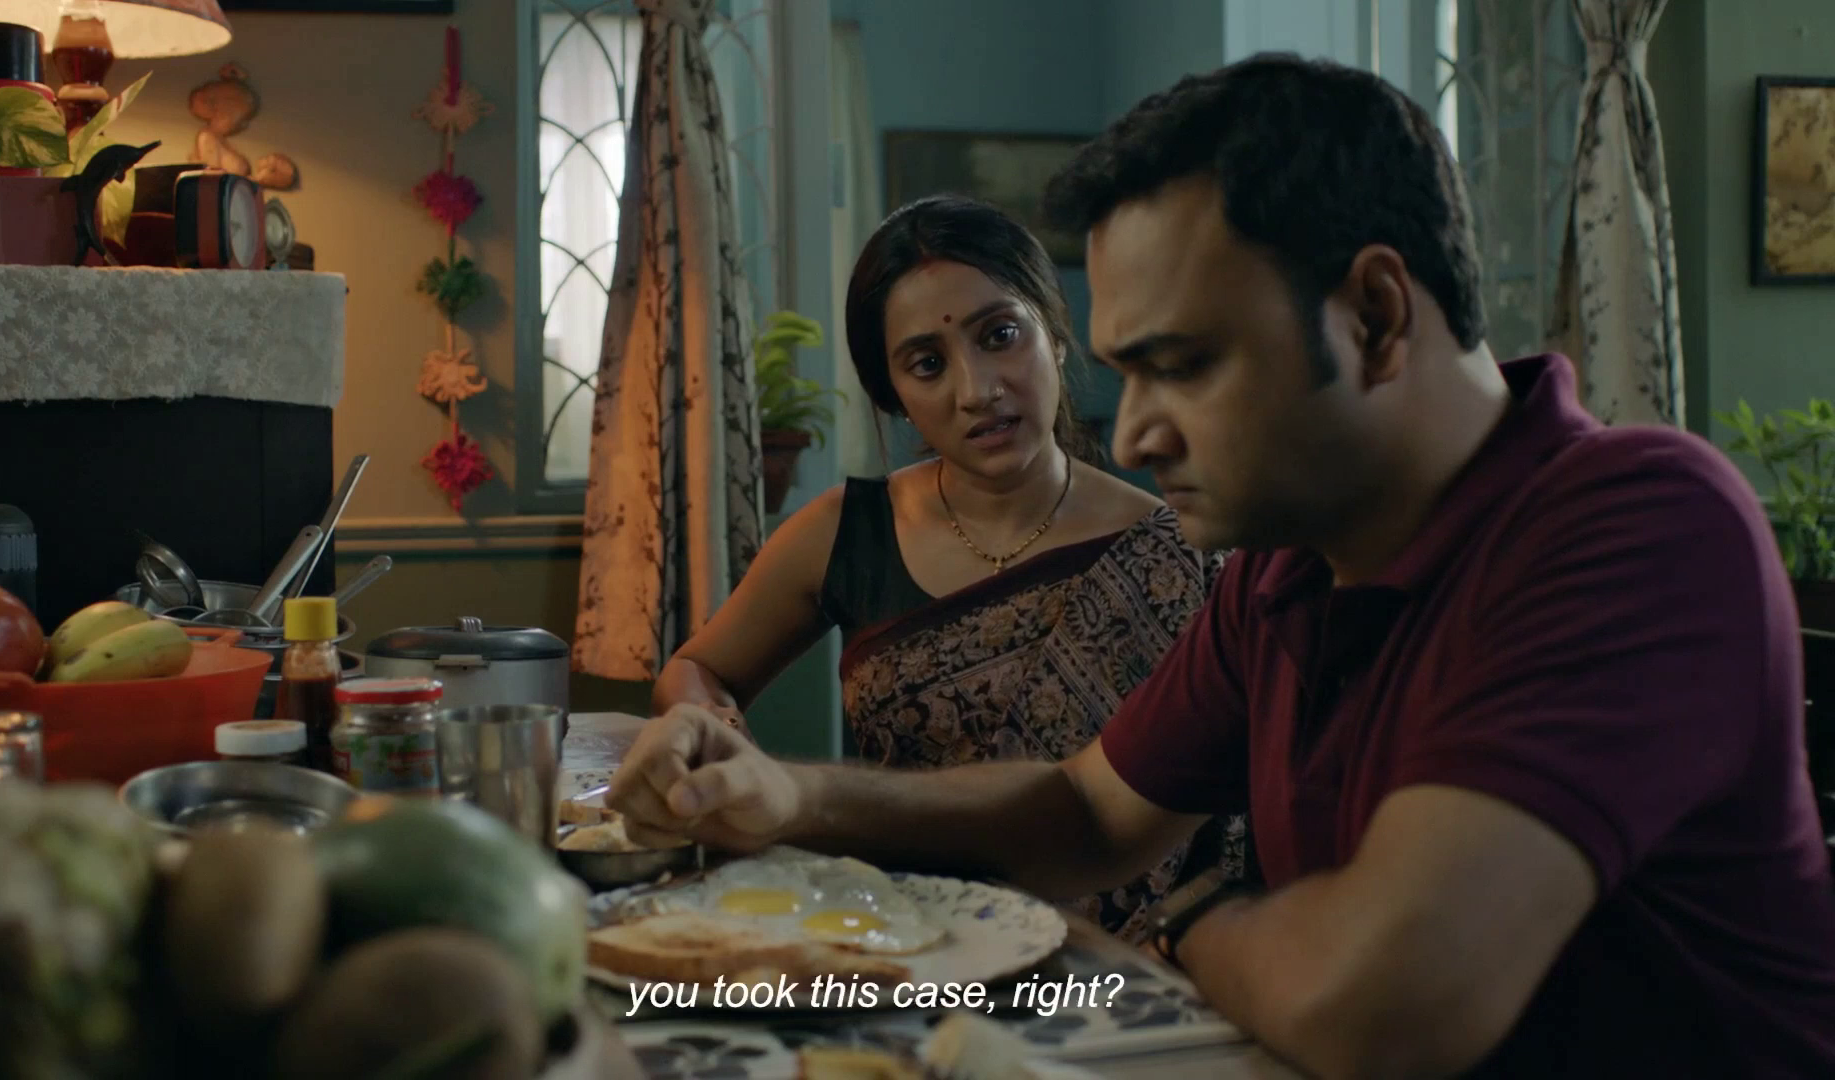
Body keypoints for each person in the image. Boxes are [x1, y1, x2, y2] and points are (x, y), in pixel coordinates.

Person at [610, 53, 1835, 1078]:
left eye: (1183, 365)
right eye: (1125, 372)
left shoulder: (1637, 523)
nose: (1137, 433)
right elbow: (1089, 811)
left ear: (1373, 316)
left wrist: (1198, 921)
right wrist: (792, 797)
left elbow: (1380, 1004)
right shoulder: (1284, 566)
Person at [648, 194, 1240, 941]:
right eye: (927, 364)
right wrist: (716, 730)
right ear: (894, 395)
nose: (977, 390)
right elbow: (699, 667)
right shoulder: (848, 532)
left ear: (1056, 336)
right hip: (901, 936)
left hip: (1123, 962)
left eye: (1001, 336)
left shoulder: (1178, 552)